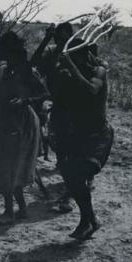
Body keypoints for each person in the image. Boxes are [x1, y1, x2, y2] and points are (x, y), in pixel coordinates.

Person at [0, 31, 49, 225]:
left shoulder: (27, 72)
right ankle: (18, 209)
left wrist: (25, 100)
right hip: (5, 121)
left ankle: (11, 211)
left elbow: (44, 94)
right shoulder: (4, 72)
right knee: (5, 165)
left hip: (22, 123)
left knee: (13, 166)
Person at [57, 39, 114, 240]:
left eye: (76, 59)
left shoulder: (99, 71)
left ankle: (87, 221)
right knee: (69, 174)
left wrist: (70, 67)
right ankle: (90, 220)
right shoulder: (71, 76)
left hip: (98, 137)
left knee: (79, 174)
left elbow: (91, 90)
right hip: (79, 135)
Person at [30, 23, 74, 213]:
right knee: (61, 148)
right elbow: (34, 62)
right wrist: (46, 38)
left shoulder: (75, 52)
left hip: (74, 107)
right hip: (59, 107)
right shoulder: (51, 53)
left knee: (73, 150)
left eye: (64, 37)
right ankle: (70, 186)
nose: (60, 40)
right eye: (58, 37)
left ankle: (70, 192)